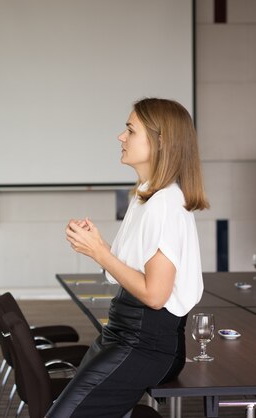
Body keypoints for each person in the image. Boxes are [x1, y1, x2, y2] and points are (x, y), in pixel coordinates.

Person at [49, 98, 209, 418]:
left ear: (160, 141)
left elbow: (155, 294)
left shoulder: (165, 203)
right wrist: (97, 246)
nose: (120, 137)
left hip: (145, 347)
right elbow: (134, 269)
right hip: (124, 336)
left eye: (130, 130)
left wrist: (99, 252)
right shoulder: (146, 196)